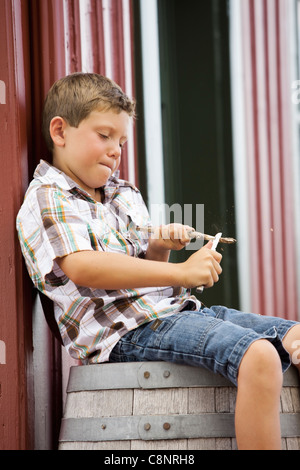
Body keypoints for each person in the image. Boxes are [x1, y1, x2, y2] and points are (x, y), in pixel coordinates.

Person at [17, 72, 300, 450]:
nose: (116, 150)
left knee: (297, 334)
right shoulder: (50, 196)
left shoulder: (122, 194)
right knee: (260, 355)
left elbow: (153, 281)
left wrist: (161, 245)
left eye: (121, 141)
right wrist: (180, 269)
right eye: (104, 136)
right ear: (59, 131)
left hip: (173, 315)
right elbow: (84, 267)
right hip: (124, 335)